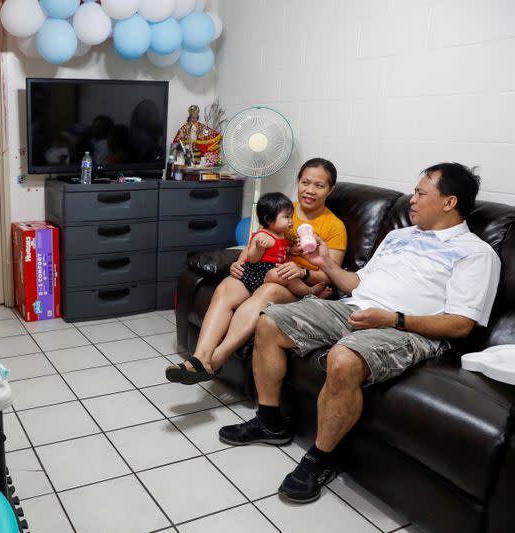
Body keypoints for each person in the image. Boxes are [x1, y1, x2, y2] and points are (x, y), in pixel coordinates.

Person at [218, 163, 501, 504]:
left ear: (448, 202)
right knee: (269, 321)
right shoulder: (399, 236)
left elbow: (460, 324)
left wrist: (393, 319)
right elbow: (356, 284)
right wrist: (326, 264)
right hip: (356, 307)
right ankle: (269, 422)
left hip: (409, 329)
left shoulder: (476, 254)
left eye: (421, 193)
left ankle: (322, 459)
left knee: (343, 359)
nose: (412, 200)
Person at [166, 158, 347, 384]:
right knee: (226, 287)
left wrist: (302, 272)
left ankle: (216, 360)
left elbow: (331, 274)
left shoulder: (335, 226)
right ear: (298, 181)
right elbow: (256, 242)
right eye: (305, 182)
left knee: (268, 290)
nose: (309, 190)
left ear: (330, 189)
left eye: (318, 186)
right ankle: (199, 359)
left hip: (292, 282)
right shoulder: (282, 209)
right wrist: (239, 262)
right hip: (261, 270)